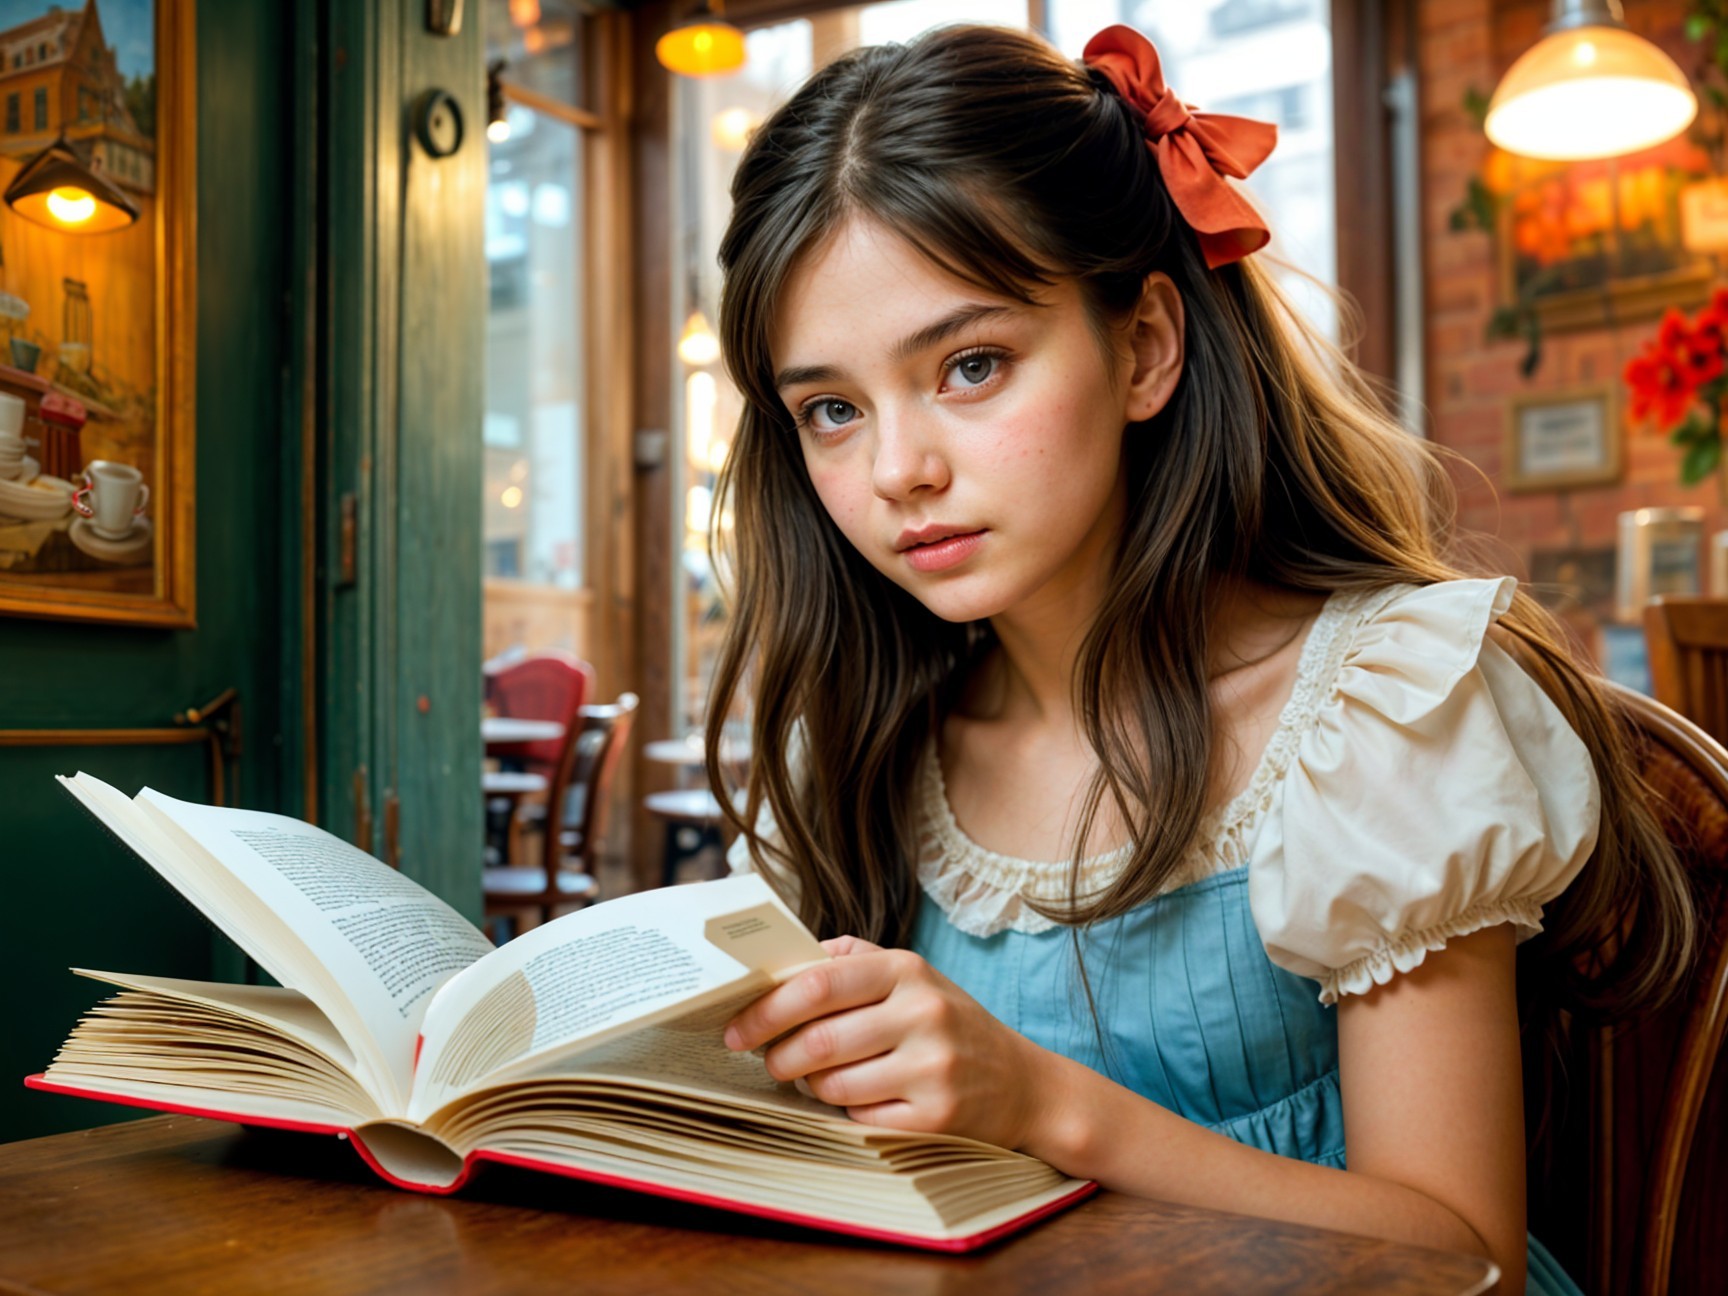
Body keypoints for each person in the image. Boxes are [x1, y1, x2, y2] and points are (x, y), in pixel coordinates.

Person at [703, 23, 1695, 1294]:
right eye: (831, 410)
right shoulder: (867, 741)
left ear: (1145, 347)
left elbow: (1464, 1254)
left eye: (971, 366)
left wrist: (1044, 1105)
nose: (900, 469)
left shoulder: (1376, 713)